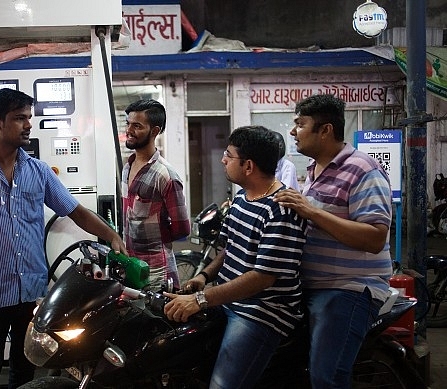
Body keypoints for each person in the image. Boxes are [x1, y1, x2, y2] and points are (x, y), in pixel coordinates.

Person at [0, 88, 126, 389]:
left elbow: (75, 211)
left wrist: (110, 234)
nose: (28, 124)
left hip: (32, 294)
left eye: (29, 117)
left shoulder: (38, 172)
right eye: (19, 118)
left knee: (25, 372)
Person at [163, 126, 307, 389]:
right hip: (230, 300)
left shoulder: (281, 209)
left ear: (248, 166)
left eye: (228, 155)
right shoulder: (242, 198)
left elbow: (262, 277)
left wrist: (201, 299)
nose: (223, 160)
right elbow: (230, 248)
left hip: (262, 311)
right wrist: (203, 276)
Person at [273, 94, 392, 389]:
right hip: (314, 285)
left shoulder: (363, 170)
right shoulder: (313, 171)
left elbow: (375, 236)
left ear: (325, 130)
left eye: (300, 125)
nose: (293, 132)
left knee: (326, 376)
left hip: (347, 287)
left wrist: (310, 210)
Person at [121, 99, 191, 290]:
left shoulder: (166, 175)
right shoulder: (127, 167)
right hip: (131, 267)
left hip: (157, 273)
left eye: (137, 126)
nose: (129, 130)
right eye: (128, 123)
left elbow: (182, 227)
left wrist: (154, 237)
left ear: (154, 131)